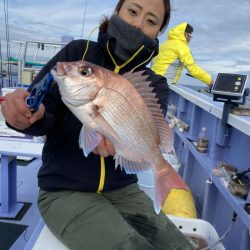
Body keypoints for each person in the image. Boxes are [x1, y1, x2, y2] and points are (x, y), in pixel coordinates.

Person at [1, 1, 194, 249]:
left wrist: (134, 150)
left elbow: (146, 133)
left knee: (178, 245)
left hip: (123, 189)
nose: (137, 23)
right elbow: (41, 109)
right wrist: (29, 115)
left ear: (159, 31)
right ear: (118, 11)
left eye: (151, 21)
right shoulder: (77, 53)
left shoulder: (154, 83)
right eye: (133, 11)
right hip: (64, 190)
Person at [152, 22, 214, 86]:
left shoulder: (164, 44)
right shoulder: (181, 46)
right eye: (190, 36)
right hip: (164, 84)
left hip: (151, 81)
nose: (190, 39)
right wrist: (209, 80)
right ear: (185, 34)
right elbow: (192, 68)